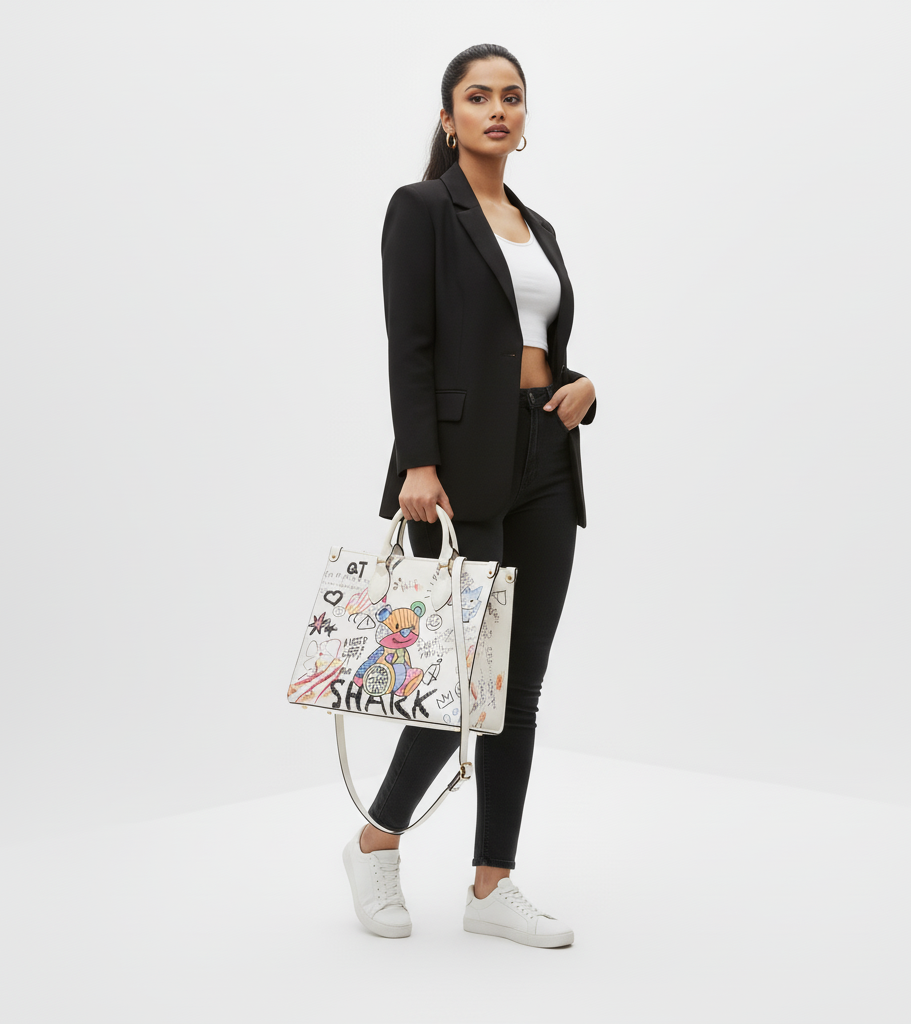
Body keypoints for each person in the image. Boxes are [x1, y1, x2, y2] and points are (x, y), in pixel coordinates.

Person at [342, 43, 597, 948]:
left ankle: (492, 886)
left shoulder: (541, 228)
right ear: (449, 116)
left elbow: (536, 343)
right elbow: (408, 344)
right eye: (479, 97)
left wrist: (581, 388)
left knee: (516, 689)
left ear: (525, 119)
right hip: (454, 468)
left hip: (547, 456)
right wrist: (417, 461)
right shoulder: (422, 210)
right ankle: (376, 841)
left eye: (513, 98)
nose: (499, 110)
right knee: (456, 682)